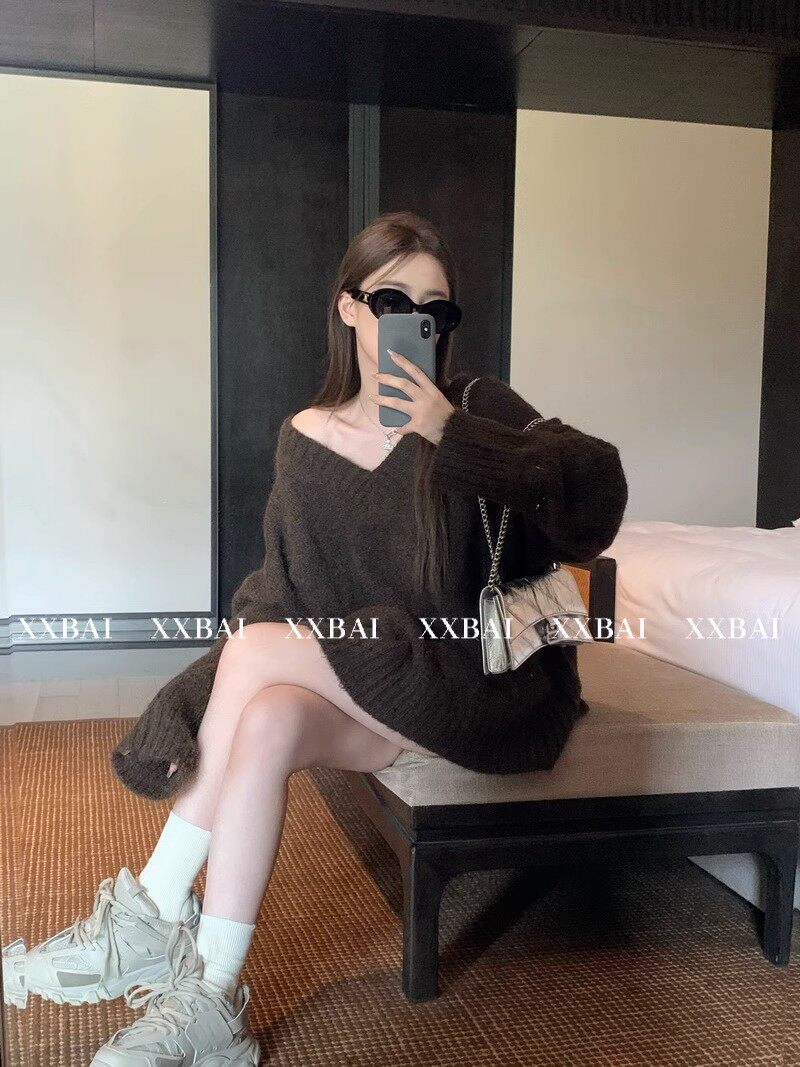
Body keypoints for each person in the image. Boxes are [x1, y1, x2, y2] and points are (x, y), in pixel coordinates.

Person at [2, 211, 628, 1064]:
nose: (415, 322)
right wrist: (193, 695)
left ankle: (147, 913)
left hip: (478, 680)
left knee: (262, 655)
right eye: (393, 300)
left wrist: (451, 435)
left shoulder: (478, 407)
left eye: (435, 309)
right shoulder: (305, 440)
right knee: (265, 719)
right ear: (350, 307)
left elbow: (598, 498)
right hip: (380, 687)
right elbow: (277, 602)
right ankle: (213, 999)